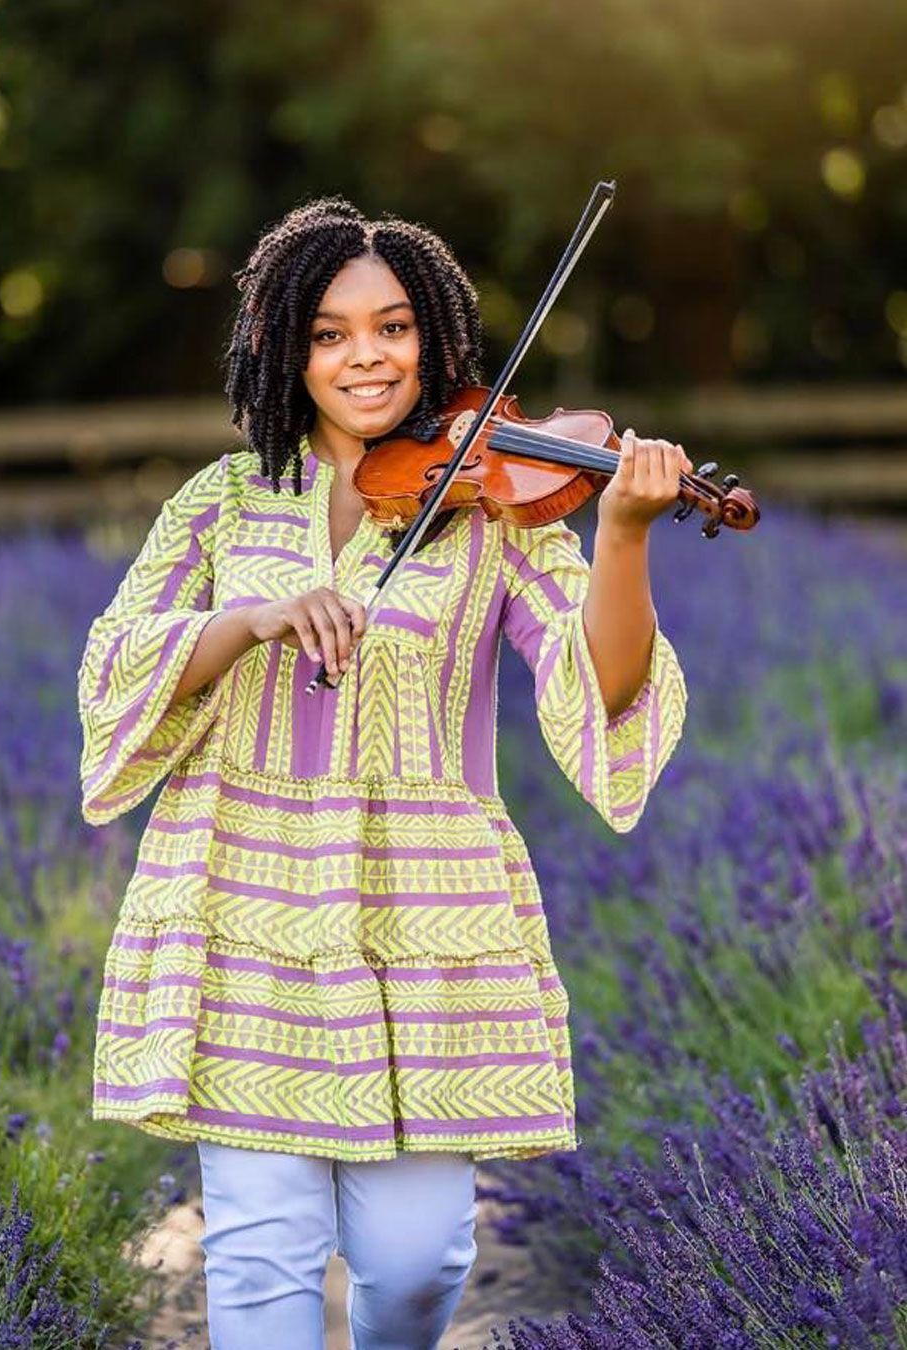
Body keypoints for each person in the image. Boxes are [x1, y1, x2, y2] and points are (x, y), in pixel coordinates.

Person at [77, 196, 690, 1349]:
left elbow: (600, 687)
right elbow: (118, 666)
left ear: (436, 341)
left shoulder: (500, 516)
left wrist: (626, 534)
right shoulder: (219, 505)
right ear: (286, 349)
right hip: (244, 893)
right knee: (262, 1258)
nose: (366, 356)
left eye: (394, 327)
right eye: (330, 332)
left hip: (428, 906)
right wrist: (254, 616)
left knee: (417, 1266)